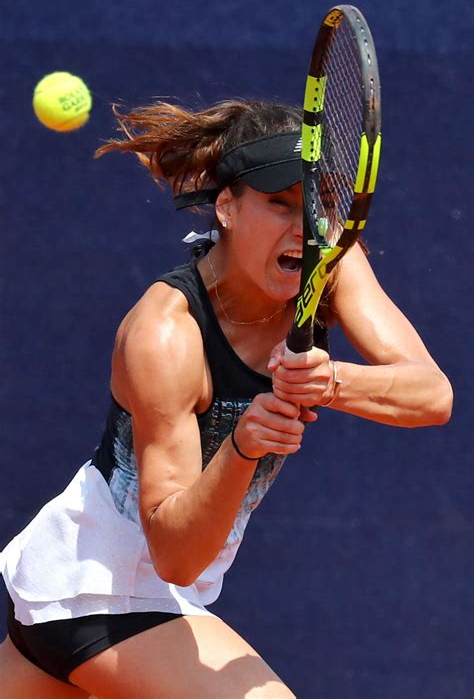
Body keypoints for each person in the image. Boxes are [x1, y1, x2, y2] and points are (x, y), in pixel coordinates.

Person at [0, 98, 453, 699]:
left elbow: (432, 395)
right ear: (226, 208)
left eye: (318, 206)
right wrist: (242, 446)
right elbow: (176, 557)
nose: (305, 227)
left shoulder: (332, 262)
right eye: (279, 204)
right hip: (99, 590)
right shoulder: (165, 334)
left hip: (113, 598)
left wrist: (330, 381)